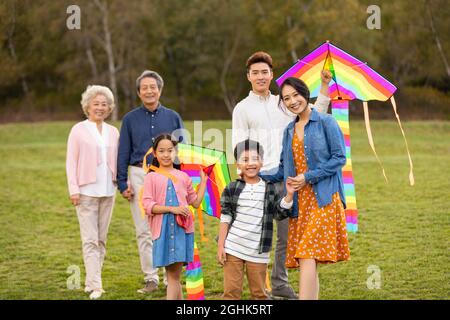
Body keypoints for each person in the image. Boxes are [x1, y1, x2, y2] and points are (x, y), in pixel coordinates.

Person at [232, 51, 332, 299]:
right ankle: (255, 290)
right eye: (255, 72)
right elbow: (239, 146)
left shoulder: (284, 102)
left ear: (272, 74)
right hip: (259, 180)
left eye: (264, 72)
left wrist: (324, 85)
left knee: (286, 238)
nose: (260, 76)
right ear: (248, 76)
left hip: (288, 181)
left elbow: (314, 112)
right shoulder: (242, 108)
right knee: (255, 236)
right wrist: (245, 177)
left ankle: (279, 284)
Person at [261, 77, 350, 300]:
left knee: (307, 252)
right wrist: (255, 175)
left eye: (295, 95)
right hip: (301, 204)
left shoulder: (326, 122)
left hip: (324, 198)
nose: (292, 101)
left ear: (304, 93)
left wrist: (308, 177)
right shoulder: (289, 131)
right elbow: (284, 169)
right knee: (307, 259)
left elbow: (340, 158)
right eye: (286, 98)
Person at [117, 70, 185, 293]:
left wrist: (181, 180)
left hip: (168, 176)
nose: (149, 91)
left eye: (152, 87)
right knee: (144, 228)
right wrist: (122, 181)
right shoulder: (129, 119)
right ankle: (150, 277)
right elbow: (123, 151)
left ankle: (170, 277)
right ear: (138, 92)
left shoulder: (173, 117)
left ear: (160, 89)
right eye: (144, 87)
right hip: (139, 176)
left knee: (168, 226)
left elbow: (181, 152)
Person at [217, 139, 293, 300]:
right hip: (233, 248)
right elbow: (225, 217)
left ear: (261, 162)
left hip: (258, 251)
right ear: (237, 164)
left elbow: (278, 214)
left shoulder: (269, 187)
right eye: (245, 160)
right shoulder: (232, 188)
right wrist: (221, 246)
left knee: (259, 295)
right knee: (231, 294)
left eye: (254, 159)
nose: (250, 163)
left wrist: (289, 196)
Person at [66, 85, 119, 299]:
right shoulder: (78, 130)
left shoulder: (113, 131)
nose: (100, 107)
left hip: (108, 191)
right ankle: (97, 285)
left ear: (109, 108)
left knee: (101, 240)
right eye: (96, 104)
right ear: (87, 106)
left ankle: (90, 280)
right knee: (90, 239)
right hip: (86, 192)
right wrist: (73, 189)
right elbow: (71, 161)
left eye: (104, 104)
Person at [142, 134, 207, 300]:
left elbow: (195, 202)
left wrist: (203, 182)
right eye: (161, 151)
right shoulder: (151, 177)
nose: (166, 154)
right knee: (173, 277)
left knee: (174, 277)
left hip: (182, 232)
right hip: (162, 231)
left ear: (175, 152)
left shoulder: (183, 176)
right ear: (155, 154)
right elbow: (148, 206)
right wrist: (173, 209)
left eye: (170, 150)